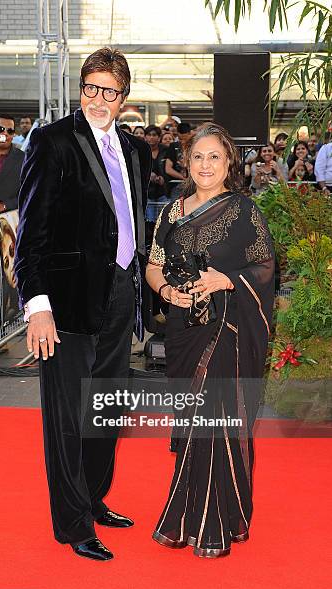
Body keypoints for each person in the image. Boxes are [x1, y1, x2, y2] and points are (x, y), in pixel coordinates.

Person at [14, 47, 151, 562]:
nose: (98, 99)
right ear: (81, 89)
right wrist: (37, 305)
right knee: (68, 418)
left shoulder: (135, 151)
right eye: (91, 88)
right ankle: (72, 523)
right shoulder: (51, 142)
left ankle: (94, 499)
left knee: (108, 410)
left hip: (120, 295)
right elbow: (32, 232)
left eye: (109, 91)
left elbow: (132, 223)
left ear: (123, 97)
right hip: (65, 302)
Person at [146, 122, 275, 558]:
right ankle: (187, 512)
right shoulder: (171, 212)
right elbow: (153, 265)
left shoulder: (243, 210)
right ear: (187, 161)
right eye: (198, 156)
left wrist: (228, 280)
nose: (205, 164)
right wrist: (166, 290)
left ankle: (215, 518)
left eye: (214, 157)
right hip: (183, 329)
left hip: (227, 330)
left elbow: (265, 268)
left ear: (229, 164)